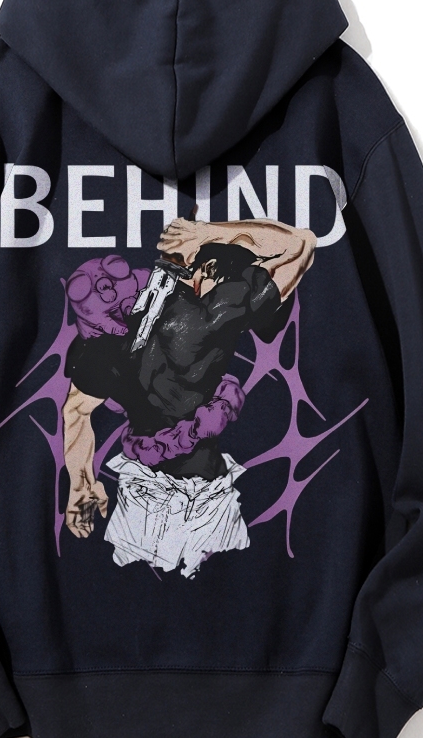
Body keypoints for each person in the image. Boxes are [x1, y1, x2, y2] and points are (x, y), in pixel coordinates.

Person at [62, 215, 317, 576]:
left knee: (133, 584)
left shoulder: (101, 352)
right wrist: (207, 232)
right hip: (204, 496)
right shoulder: (206, 317)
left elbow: (75, 413)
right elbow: (300, 244)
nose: (106, 287)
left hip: (146, 495)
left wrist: (80, 484)